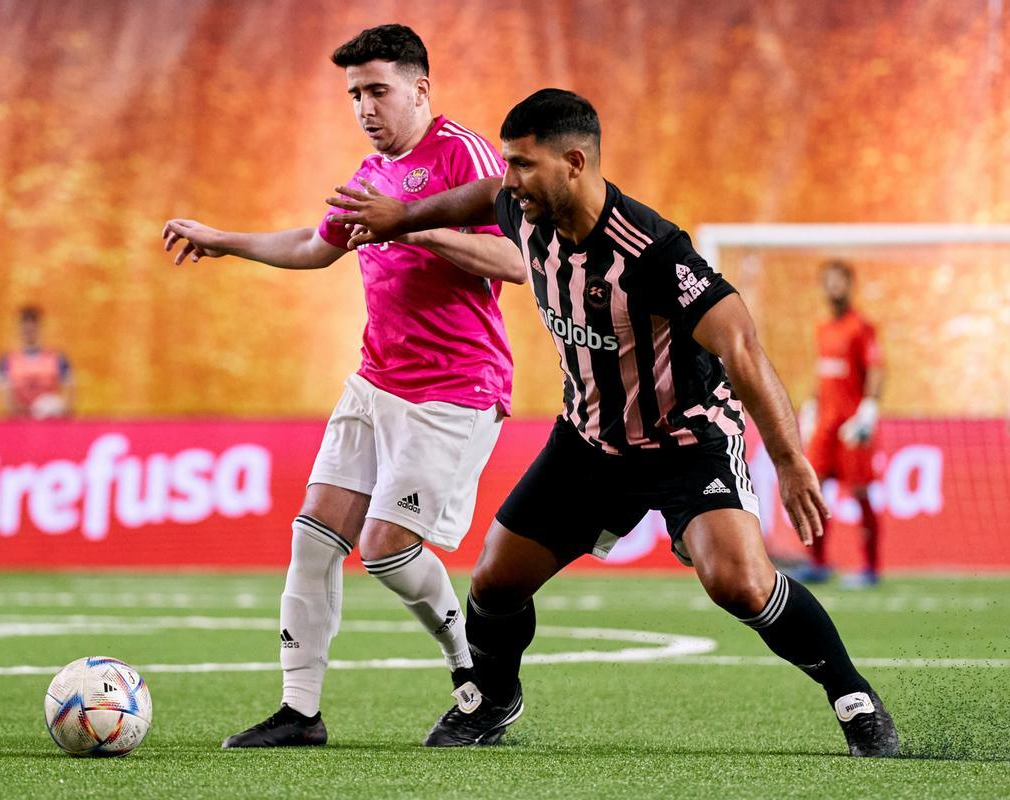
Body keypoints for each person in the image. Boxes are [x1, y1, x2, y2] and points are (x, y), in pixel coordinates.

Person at [327, 88, 899, 757]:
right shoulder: (521, 207)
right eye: (508, 164)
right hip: (591, 441)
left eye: (524, 165)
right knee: (494, 582)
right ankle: (495, 697)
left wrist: (789, 458)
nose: (510, 181)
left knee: (738, 583)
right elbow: (479, 197)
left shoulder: (653, 252)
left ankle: (852, 696)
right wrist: (403, 216)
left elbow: (741, 345)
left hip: (686, 441)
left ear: (574, 162)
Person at [161, 24, 522, 748]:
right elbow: (314, 246)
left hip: (455, 387)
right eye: (355, 93)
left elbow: (513, 259)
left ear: (421, 89)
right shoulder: (368, 174)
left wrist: (410, 227)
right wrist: (225, 240)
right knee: (313, 536)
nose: (364, 106)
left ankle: (478, 679)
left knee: (386, 549)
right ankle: (300, 712)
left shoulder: (465, 154)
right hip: (375, 380)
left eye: (378, 90)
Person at [795, 260, 884, 586]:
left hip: (851, 426)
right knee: (813, 488)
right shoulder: (823, 328)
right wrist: (811, 407)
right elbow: (822, 374)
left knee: (860, 491)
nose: (833, 287)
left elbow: (876, 368)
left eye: (839, 281)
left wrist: (869, 409)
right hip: (826, 425)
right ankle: (817, 562)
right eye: (828, 281)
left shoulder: (861, 327)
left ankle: (871, 568)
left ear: (850, 284)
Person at [0, 305, 74, 418]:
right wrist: (30, 412)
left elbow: (69, 393)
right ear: (19, 327)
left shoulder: (58, 358)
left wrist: (56, 409)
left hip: (49, 421)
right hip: (18, 423)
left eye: (33, 324)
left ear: (39, 326)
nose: (29, 329)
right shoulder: (6, 361)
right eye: (25, 324)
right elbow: (5, 398)